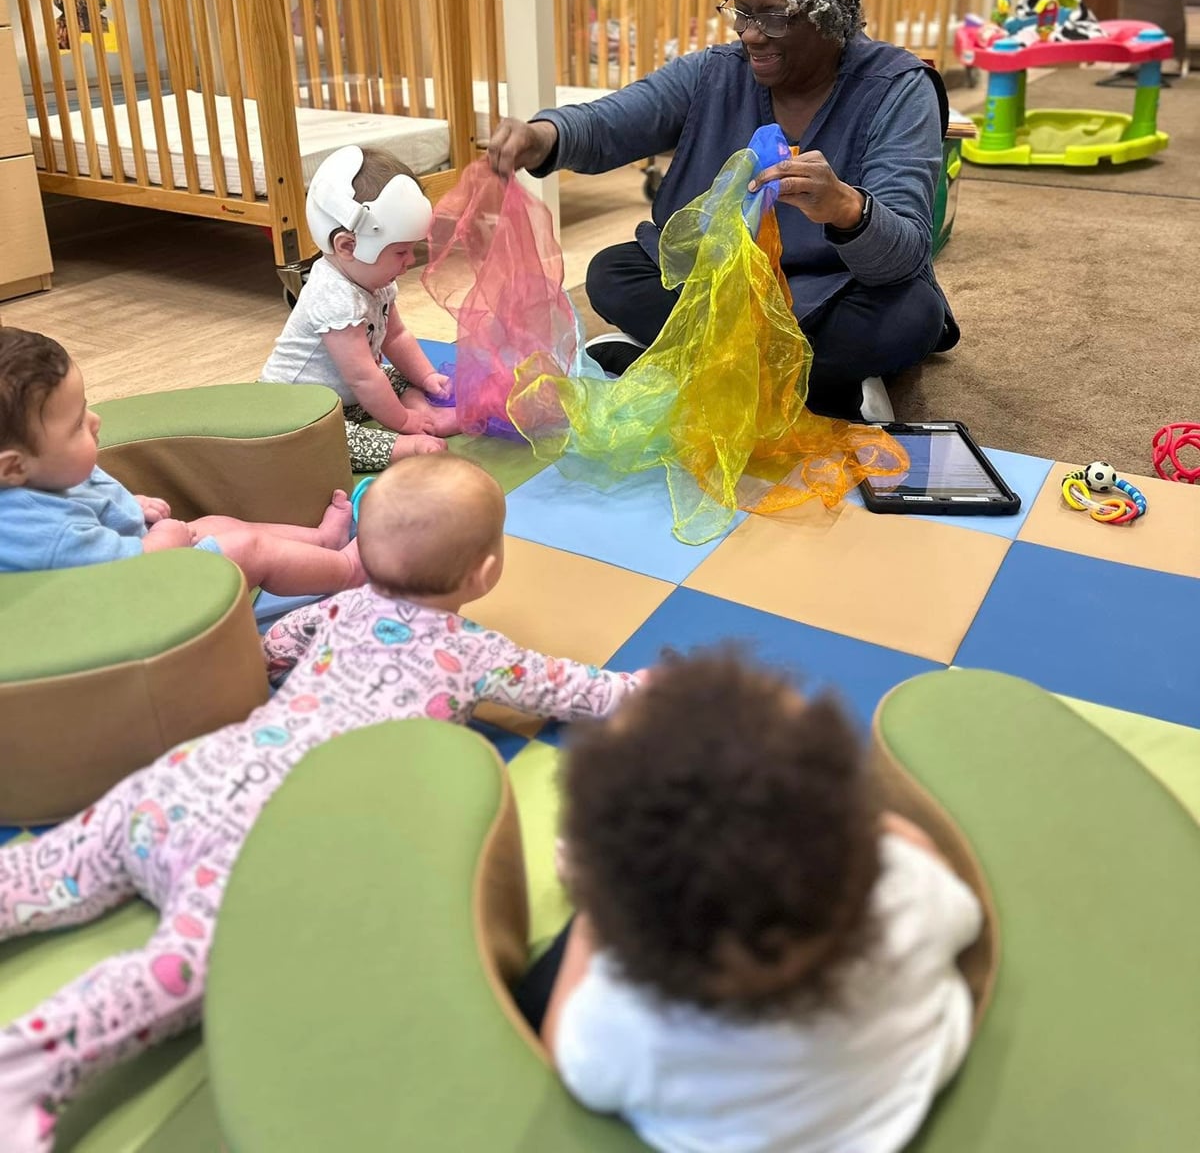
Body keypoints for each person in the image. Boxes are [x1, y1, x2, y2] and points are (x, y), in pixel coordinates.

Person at [0, 454, 642, 1151]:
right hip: (263, 830)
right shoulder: (478, 653)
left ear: (361, 549)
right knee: (183, 966)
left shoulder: (339, 606)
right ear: (486, 573)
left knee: (49, 867)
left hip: (194, 774)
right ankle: (29, 1066)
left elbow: (277, 645)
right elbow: (584, 693)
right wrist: (647, 691)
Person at [488, 0, 958, 420]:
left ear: (832, 15)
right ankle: (799, 381)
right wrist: (542, 136)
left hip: (827, 291)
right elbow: (614, 120)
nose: (751, 35)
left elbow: (905, 252)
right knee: (613, 272)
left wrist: (847, 208)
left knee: (910, 315)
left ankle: (686, 361)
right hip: (722, 285)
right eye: (743, 12)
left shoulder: (899, 88)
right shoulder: (715, 72)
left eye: (774, 17)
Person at [518, 651, 983, 1153]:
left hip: (731, 1130)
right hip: (900, 1101)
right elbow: (937, 876)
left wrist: (593, 915)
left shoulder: (632, 1026)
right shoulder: (908, 890)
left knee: (537, 987)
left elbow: (565, 1059)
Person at [0, 328, 362, 595]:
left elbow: (92, 506)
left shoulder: (45, 471)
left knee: (218, 524)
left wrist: (132, 506)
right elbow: (123, 575)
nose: (95, 421)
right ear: (13, 467)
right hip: (134, 599)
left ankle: (320, 542)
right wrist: (164, 541)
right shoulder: (44, 533)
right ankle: (346, 570)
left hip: (142, 557)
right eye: (77, 422)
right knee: (248, 548)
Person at [261, 145, 459, 471]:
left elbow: (396, 337)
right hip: (296, 411)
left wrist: (427, 377)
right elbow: (363, 378)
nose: (410, 262)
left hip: (345, 399)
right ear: (348, 247)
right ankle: (400, 448)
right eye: (400, 253)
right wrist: (405, 423)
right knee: (324, 440)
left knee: (397, 376)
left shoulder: (377, 280)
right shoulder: (334, 297)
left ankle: (423, 408)